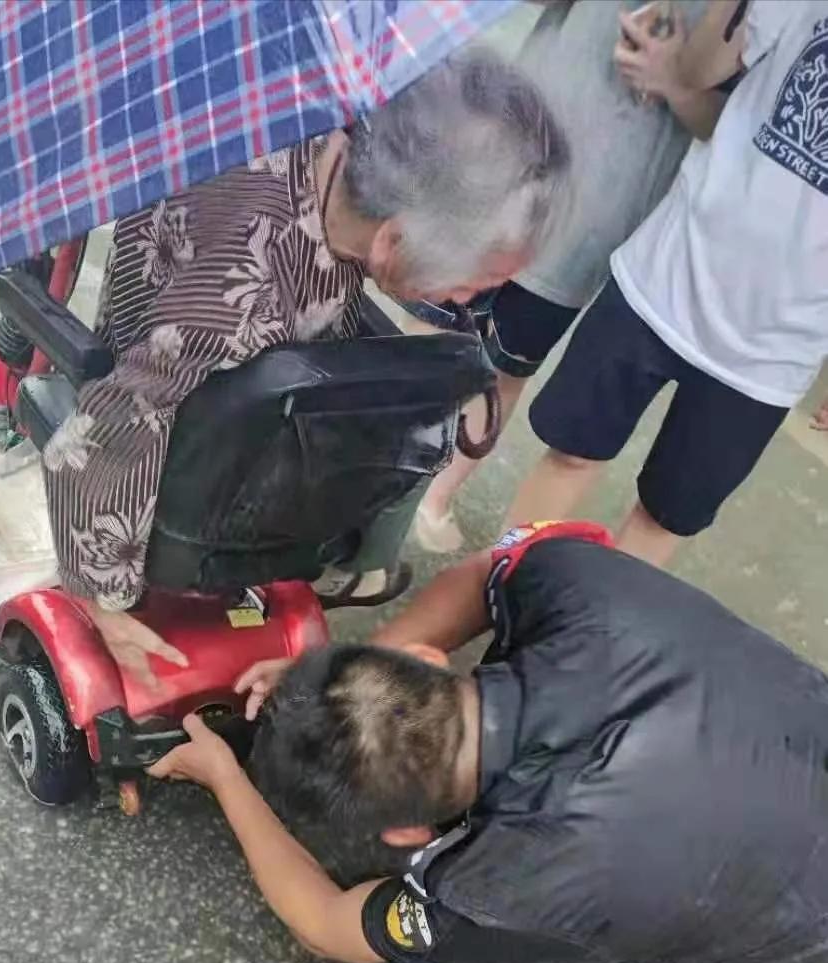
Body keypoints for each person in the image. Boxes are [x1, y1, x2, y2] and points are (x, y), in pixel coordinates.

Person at [150, 520, 828, 963]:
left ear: (408, 835)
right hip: (777, 782)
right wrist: (345, 696)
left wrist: (223, 777)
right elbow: (484, 574)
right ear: (423, 660)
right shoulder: (578, 581)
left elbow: (327, 926)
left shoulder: (506, 876)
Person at [40, 49, 570, 685]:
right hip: (175, 415)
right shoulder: (235, 298)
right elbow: (117, 423)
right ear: (394, 240)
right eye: (477, 281)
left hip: (249, 362)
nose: (469, 301)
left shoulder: (326, 139)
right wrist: (104, 598)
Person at [503, 0, 828, 567]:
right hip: (667, 275)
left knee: (663, 517)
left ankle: (570, 646)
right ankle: (499, 592)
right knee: (572, 455)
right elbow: (698, 72)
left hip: (776, 352)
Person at [414, 0, 728, 554]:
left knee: (504, 362)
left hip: (600, 195)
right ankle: (389, 479)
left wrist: (678, 81)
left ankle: (432, 495)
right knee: (436, 318)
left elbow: (731, 120)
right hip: (514, 135)